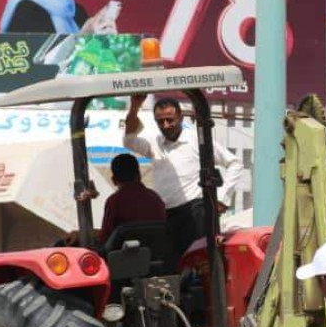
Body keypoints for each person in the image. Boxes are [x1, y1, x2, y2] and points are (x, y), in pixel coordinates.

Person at [124, 94, 242, 256]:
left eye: (170, 120)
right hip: (166, 216)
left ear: (180, 117)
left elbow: (234, 163)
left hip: (194, 213)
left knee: (198, 260)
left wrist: (222, 198)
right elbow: (129, 141)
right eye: (160, 121)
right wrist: (134, 107)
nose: (165, 125)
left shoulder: (196, 140)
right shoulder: (155, 143)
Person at [98, 153, 167, 245]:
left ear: (114, 180)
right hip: (157, 256)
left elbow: (105, 238)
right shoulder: (155, 198)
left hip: (125, 257)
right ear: (139, 175)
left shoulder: (114, 202)